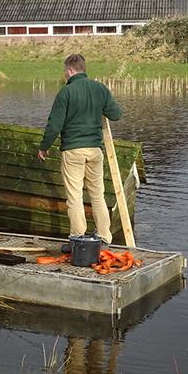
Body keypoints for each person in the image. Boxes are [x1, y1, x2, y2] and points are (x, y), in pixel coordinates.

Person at [37, 54, 122, 248]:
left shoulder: (66, 92)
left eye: (65, 71)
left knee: (74, 197)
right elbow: (116, 114)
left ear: (70, 70)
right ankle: (104, 238)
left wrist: (44, 148)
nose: (65, 75)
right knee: (97, 195)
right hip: (95, 151)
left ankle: (78, 239)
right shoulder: (100, 88)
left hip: (73, 151)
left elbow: (54, 126)